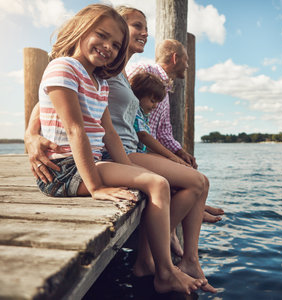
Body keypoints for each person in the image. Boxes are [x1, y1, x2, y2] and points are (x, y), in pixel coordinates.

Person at [25, 5, 217, 293]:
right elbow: (75, 129)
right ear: (81, 29)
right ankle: (163, 270)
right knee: (156, 183)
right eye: (102, 36)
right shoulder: (63, 67)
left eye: (115, 44)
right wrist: (95, 187)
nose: (108, 47)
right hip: (64, 171)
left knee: (157, 183)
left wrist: (131, 170)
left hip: (90, 162)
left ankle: (163, 269)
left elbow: (110, 133)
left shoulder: (100, 81)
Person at [127, 39, 225, 223]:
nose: (187, 66)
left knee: (192, 173)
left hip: (146, 150)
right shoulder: (143, 70)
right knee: (189, 177)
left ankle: (195, 207)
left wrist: (180, 152)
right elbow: (134, 120)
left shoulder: (164, 86)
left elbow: (164, 130)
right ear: (175, 58)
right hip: (133, 149)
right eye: (186, 60)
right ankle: (176, 226)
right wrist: (173, 158)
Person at [130, 71, 189, 166]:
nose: (155, 106)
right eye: (153, 101)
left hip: (140, 153)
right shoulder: (134, 111)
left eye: (157, 102)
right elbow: (143, 136)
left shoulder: (144, 115)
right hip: (133, 154)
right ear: (138, 94)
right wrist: (171, 156)